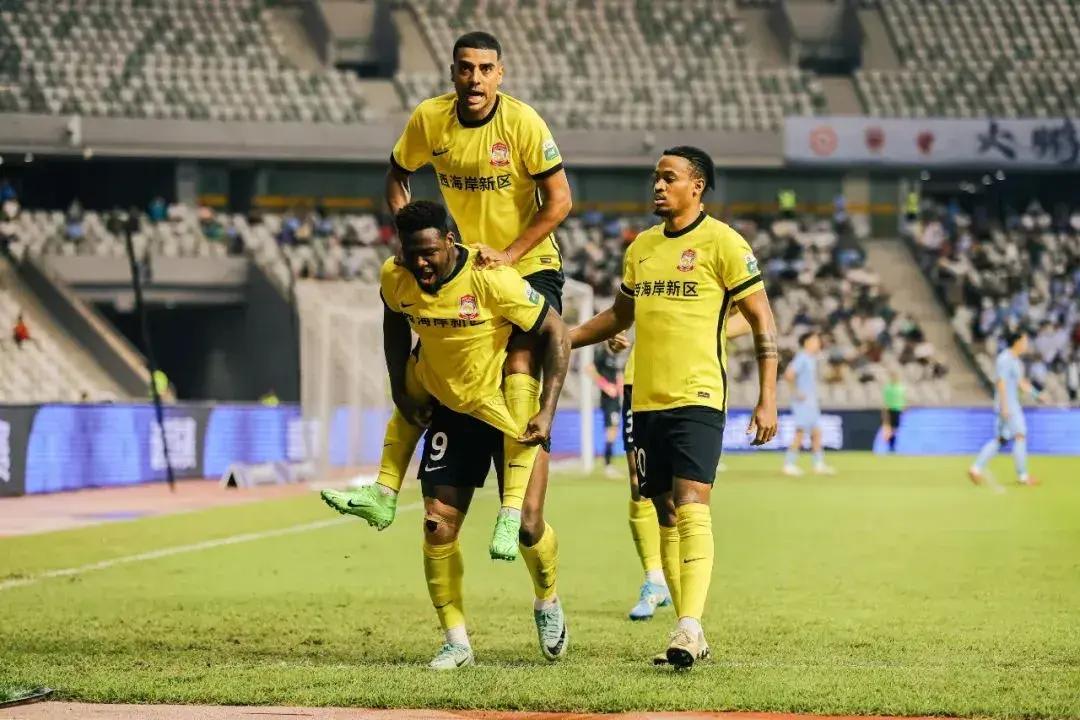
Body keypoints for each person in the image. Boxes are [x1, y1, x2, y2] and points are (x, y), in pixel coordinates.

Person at [322, 202, 572, 669]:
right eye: (410, 252)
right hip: (450, 411)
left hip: (507, 405)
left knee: (527, 525)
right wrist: (400, 387)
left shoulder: (490, 278)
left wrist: (547, 409)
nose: (420, 263)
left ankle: (547, 599)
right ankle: (456, 641)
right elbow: (393, 321)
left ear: (450, 243)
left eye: (429, 253)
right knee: (437, 525)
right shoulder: (396, 277)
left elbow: (557, 332)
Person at [354, 30, 573, 554]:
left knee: (521, 358)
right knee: (430, 361)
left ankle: (513, 507)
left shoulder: (522, 123)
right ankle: (386, 487)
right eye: (465, 68)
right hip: (461, 270)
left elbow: (560, 200)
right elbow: (397, 176)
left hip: (528, 265)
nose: (475, 78)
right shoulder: (430, 118)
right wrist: (409, 234)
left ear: (500, 74)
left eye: (485, 69)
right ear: (452, 72)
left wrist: (512, 254)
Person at [569, 147, 779, 669]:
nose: (658, 186)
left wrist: (767, 397)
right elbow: (618, 315)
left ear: (697, 186)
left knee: (691, 503)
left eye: (669, 177)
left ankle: (689, 625)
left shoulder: (724, 243)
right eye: (656, 178)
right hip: (645, 398)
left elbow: (762, 320)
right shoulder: (641, 248)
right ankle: (687, 630)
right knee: (662, 508)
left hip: (699, 395)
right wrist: (564, 339)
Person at [969, 331, 1042, 487]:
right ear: (1017, 342)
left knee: (1001, 440)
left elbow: (1021, 383)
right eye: (1024, 341)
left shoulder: (1015, 361)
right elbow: (1000, 383)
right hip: (1009, 405)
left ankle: (975, 469)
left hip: (1009, 404)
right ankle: (1023, 476)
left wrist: (1037, 394)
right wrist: (1004, 406)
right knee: (1020, 435)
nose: (1026, 345)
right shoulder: (1005, 359)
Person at [782, 331, 835, 476]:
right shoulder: (802, 358)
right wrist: (796, 392)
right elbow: (789, 374)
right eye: (815, 341)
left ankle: (818, 464)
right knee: (800, 432)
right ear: (807, 342)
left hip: (811, 402)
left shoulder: (811, 359)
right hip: (803, 403)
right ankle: (789, 464)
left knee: (817, 433)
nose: (818, 343)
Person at [589, 342, 625, 477]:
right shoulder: (601, 353)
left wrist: (620, 386)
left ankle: (609, 465)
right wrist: (606, 386)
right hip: (608, 400)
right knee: (611, 430)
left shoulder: (614, 354)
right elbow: (590, 369)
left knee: (614, 430)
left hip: (616, 399)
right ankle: (608, 466)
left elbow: (618, 374)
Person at [881, 368, 906, 453]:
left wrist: (903, 407)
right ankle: (891, 445)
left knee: (895, 429)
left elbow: (902, 399)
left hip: (898, 410)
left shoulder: (900, 387)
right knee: (889, 429)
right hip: (890, 409)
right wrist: (885, 410)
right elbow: (885, 400)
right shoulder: (888, 388)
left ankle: (892, 445)